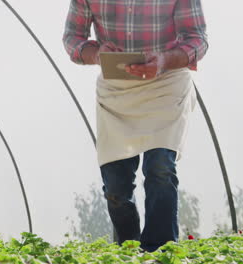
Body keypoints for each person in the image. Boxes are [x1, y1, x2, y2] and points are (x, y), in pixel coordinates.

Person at [63, 0, 208, 252]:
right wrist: (97, 54)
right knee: (116, 187)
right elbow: (73, 38)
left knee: (160, 168)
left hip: (166, 82)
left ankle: (158, 252)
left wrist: (163, 60)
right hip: (116, 88)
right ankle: (129, 252)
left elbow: (197, 39)